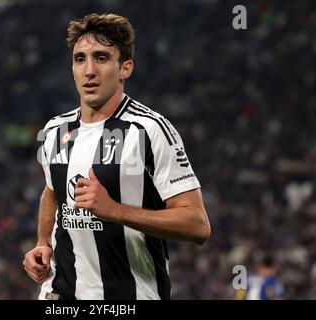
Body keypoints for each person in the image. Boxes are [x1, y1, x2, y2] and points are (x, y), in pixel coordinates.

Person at [22, 13, 211, 300]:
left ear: (125, 68)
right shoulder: (55, 130)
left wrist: (114, 210)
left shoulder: (150, 129)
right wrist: (42, 242)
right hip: (61, 294)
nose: (88, 70)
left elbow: (197, 225)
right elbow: (52, 191)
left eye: (101, 58)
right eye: (80, 59)